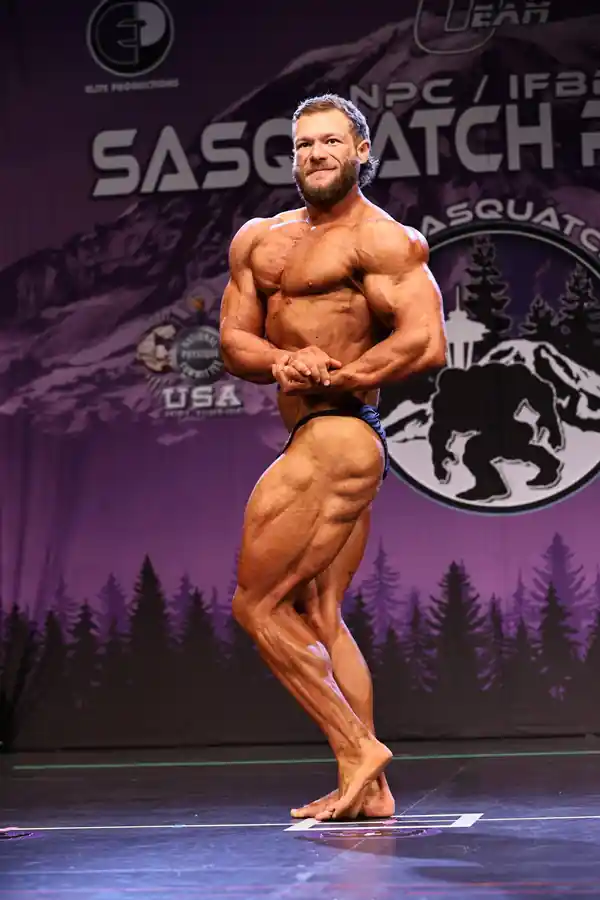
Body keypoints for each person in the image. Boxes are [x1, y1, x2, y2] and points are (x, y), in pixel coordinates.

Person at [219, 93, 447, 821]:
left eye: (330, 142)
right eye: (304, 144)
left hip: (341, 431)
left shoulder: (381, 241)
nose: (316, 154)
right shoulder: (259, 240)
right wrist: (284, 361)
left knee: (256, 605)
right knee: (319, 612)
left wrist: (340, 375)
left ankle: (357, 749)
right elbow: (234, 343)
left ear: (361, 152)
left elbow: (425, 341)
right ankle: (372, 791)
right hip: (320, 435)